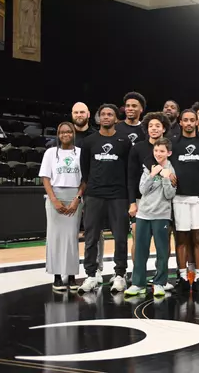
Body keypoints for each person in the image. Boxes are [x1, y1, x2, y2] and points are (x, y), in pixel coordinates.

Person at [78, 104, 132, 293]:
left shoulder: (124, 141)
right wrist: (91, 186)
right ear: (98, 118)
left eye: (110, 114)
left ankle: (120, 275)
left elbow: (129, 170)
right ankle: (91, 274)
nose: (106, 117)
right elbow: (85, 169)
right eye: (103, 114)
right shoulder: (89, 141)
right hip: (94, 194)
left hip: (118, 195)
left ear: (116, 118)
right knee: (91, 237)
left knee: (120, 237)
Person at [124, 137, 177, 298]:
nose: (158, 154)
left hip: (162, 215)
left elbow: (169, 195)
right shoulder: (149, 168)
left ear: (169, 153)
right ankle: (138, 283)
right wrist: (152, 175)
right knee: (140, 250)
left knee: (162, 251)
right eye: (156, 151)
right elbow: (143, 190)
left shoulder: (171, 170)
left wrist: (167, 179)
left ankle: (159, 283)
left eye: (162, 151)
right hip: (144, 214)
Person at [170, 109, 199, 293]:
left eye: (192, 120)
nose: (189, 123)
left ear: (197, 122)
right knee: (181, 238)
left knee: (198, 237)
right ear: (180, 122)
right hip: (178, 197)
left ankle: (197, 278)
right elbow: (162, 162)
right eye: (185, 120)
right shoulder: (173, 142)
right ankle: (181, 278)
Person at [127, 112, 171, 287]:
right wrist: (132, 202)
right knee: (139, 241)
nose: (154, 128)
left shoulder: (168, 148)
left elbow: (172, 177)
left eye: (158, 126)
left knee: (163, 243)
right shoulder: (137, 148)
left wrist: (170, 180)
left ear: (164, 128)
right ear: (147, 128)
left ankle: (161, 279)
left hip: (163, 204)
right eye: (151, 125)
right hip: (141, 202)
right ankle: (137, 280)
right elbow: (131, 177)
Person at [40, 122, 85, 291]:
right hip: (55, 197)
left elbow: (84, 179)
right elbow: (45, 178)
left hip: (74, 196)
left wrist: (77, 199)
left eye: (68, 132)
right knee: (55, 237)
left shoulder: (81, 153)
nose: (65, 134)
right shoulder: (50, 153)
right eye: (62, 132)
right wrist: (54, 200)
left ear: (73, 133)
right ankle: (57, 276)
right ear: (58, 135)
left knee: (72, 237)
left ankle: (72, 276)